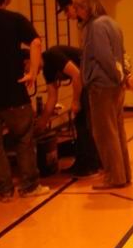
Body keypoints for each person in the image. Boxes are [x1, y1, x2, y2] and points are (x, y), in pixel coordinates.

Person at [72, 0, 132, 189]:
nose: (76, 13)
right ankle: (123, 174)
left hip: (102, 86)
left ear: (87, 7)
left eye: (78, 8)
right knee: (117, 131)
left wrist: (114, 77)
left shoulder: (95, 27)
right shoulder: (112, 23)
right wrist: (122, 77)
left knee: (105, 134)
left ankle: (113, 177)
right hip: (114, 86)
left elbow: (103, 56)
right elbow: (121, 54)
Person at [0, 0, 50, 202]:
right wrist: (32, 72)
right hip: (14, 92)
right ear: (4, 0)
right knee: (24, 140)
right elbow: (36, 43)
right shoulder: (14, 19)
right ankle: (29, 186)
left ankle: (4, 190)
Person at [37, 44, 101, 177]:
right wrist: (42, 122)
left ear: (29, 60)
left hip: (93, 78)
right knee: (80, 123)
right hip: (87, 79)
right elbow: (52, 98)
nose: (29, 72)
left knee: (83, 123)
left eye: (26, 68)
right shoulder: (47, 70)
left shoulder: (51, 55)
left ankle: (90, 165)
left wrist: (75, 101)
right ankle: (84, 162)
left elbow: (77, 75)